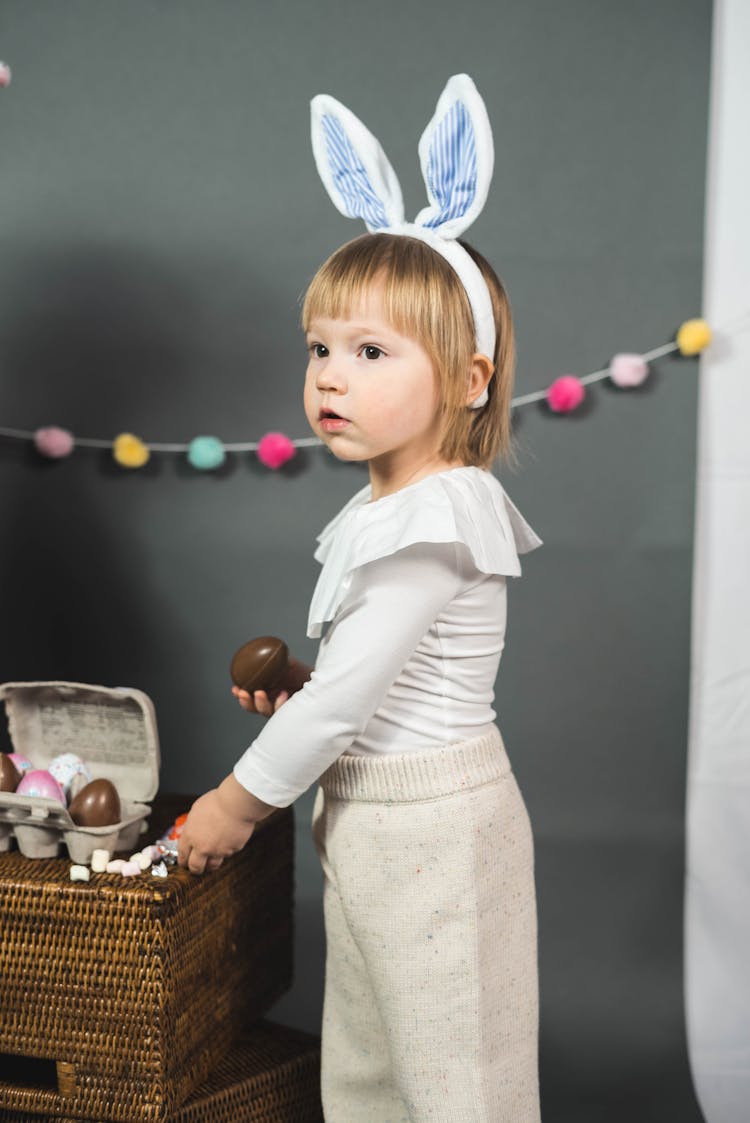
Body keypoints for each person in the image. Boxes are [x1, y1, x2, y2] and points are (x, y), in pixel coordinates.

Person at [178, 74, 543, 1122]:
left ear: (470, 380)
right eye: (321, 348)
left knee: (457, 1076)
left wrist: (235, 805)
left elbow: (350, 708)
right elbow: (358, 683)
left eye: (371, 352)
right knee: (373, 1071)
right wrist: (306, 680)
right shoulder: (386, 508)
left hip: (438, 829)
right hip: (372, 824)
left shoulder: (445, 512)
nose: (330, 376)